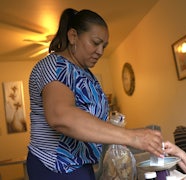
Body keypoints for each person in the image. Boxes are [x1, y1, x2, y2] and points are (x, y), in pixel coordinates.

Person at [27, 8, 163, 180]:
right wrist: (132, 137)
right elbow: (60, 116)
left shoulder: (87, 75)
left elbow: (91, 120)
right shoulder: (54, 65)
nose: (100, 51)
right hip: (56, 167)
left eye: (104, 46)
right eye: (95, 42)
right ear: (73, 36)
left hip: (83, 165)